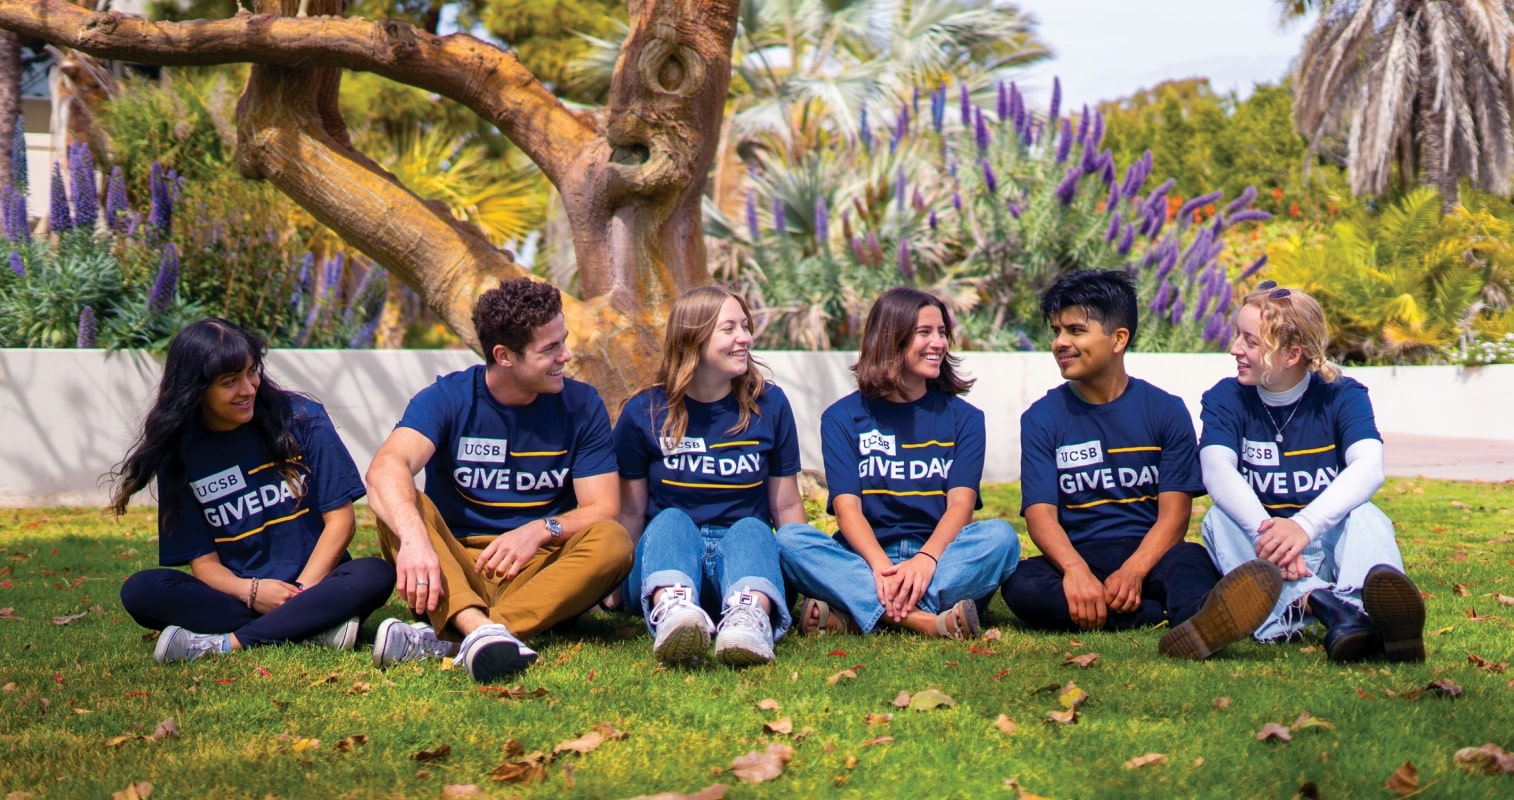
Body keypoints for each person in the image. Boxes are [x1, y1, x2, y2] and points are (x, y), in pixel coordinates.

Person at [1002, 269, 1282, 660]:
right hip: (1080, 557)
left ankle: (1198, 621)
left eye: (1075, 331)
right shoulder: (1042, 417)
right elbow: (1040, 516)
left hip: (1152, 557)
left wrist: (1134, 571)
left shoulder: (1165, 410)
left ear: (1119, 339)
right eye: (1056, 331)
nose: (1060, 343)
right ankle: (1170, 617)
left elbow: (1174, 516)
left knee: (1191, 560)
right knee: (1022, 585)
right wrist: (1076, 571)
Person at [365, 278, 633, 683]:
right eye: (550, 349)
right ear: (504, 355)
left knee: (613, 541)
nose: (567, 355)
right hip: (451, 565)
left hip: (537, 571)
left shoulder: (581, 404)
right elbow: (385, 467)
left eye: (564, 340)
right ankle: (483, 632)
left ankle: (456, 638)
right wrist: (417, 542)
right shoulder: (449, 397)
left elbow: (603, 508)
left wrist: (541, 530)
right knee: (400, 502)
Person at [112, 319, 395, 663]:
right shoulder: (180, 455)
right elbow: (204, 565)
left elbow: (341, 523)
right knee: (142, 591)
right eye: (230, 382)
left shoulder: (303, 419)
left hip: (319, 585)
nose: (248, 389)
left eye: (252, 372)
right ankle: (314, 629)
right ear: (196, 389)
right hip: (242, 595)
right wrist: (252, 592)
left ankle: (230, 642)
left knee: (374, 573)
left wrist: (301, 594)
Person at [1197, 281, 1424, 662]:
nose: (1235, 348)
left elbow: (1369, 468)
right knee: (1218, 520)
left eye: (1250, 342)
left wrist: (1303, 527)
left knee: (1366, 514)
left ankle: (1359, 610)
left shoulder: (1342, 394)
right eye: (1238, 335)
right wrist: (1272, 536)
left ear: (1291, 355)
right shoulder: (1226, 397)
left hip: (1327, 540)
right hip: (1266, 548)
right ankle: (1334, 609)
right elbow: (1217, 471)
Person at [776, 287, 1019, 638]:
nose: (939, 343)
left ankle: (853, 612)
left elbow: (961, 507)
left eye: (941, 333)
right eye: (925, 333)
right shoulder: (842, 417)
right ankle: (928, 621)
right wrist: (879, 568)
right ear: (891, 338)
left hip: (940, 559)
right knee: (789, 541)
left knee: (1001, 538)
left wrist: (925, 561)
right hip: (864, 557)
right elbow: (847, 510)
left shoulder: (965, 418)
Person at [616, 286, 814, 665]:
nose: (745, 338)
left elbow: (786, 505)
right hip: (667, 559)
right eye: (729, 329)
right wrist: (612, 580)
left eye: (745, 326)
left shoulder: (769, 405)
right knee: (671, 519)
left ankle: (747, 620)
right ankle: (675, 614)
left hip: (743, 562)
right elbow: (630, 513)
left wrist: (807, 581)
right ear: (693, 338)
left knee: (753, 528)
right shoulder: (645, 411)